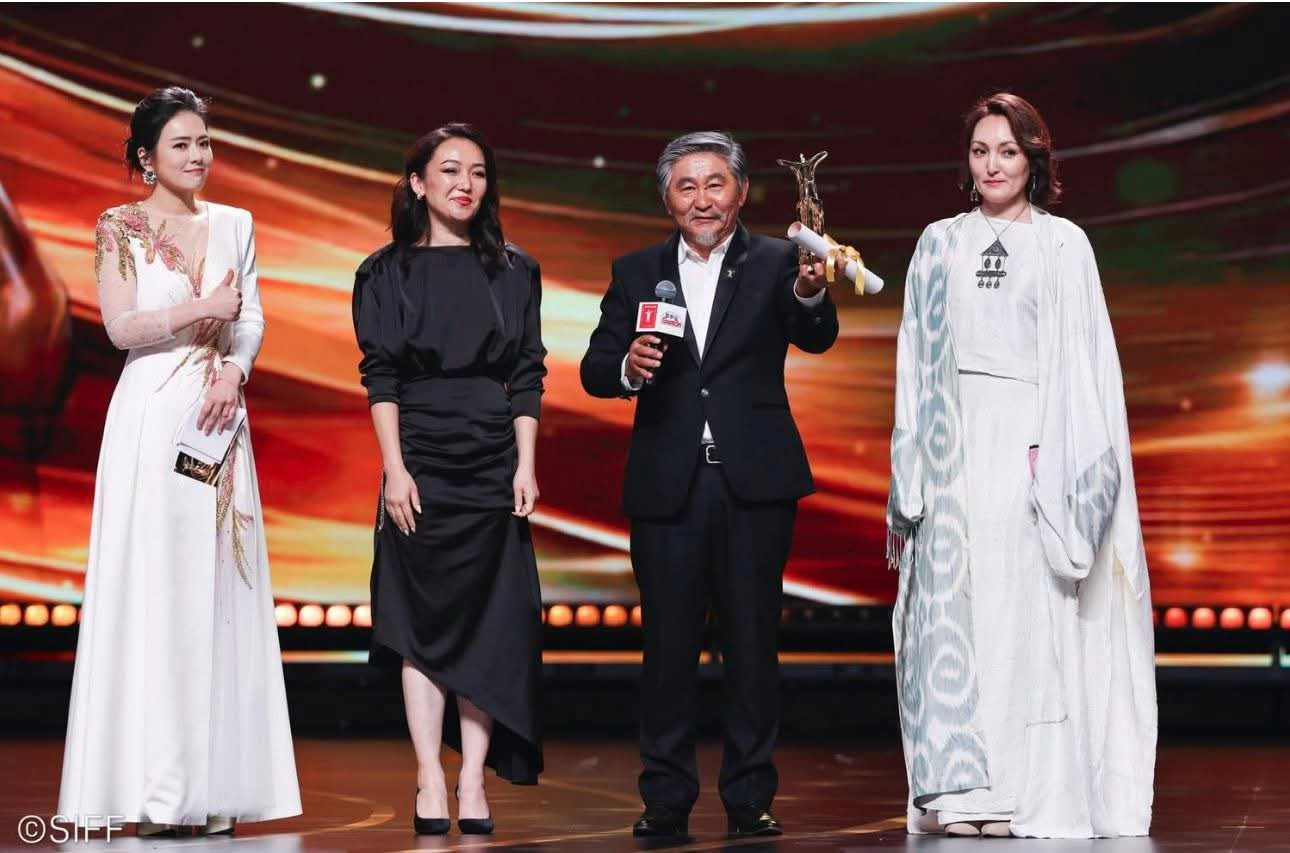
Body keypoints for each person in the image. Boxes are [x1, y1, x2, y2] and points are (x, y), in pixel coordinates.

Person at [887, 92, 1157, 839]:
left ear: (1033, 159)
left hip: (1034, 451)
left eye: (1007, 151)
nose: (993, 165)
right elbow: (913, 358)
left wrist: (1055, 458)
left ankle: (1022, 792)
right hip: (952, 451)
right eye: (981, 151)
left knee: (1024, 622)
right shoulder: (938, 243)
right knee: (957, 623)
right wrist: (913, 469)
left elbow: (1086, 363)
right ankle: (963, 795)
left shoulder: (1063, 245)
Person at [580, 131, 839, 839]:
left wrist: (811, 294)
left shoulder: (781, 260)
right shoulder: (637, 271)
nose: (702, 199)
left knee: (752, 647)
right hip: (669, 487)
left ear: (741, 192)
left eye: (715, 183)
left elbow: (816, 335)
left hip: (753, 483)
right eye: (686, 185)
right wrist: (628, 366)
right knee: (667, 650)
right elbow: (596, 367)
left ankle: (750, 797)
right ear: (667, 198)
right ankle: (665, 798)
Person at [58, 86, 300, 837]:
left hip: (218, 421)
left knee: (218, 591)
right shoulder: (119, 226)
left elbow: (250, 316)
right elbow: (121, 327)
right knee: (157, 591)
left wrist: (235, 373)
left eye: (204, 143)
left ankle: (215, 791)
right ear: (146, 156)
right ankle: (158, 794)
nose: (198, 156)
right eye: (182, 145)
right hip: (152, 418)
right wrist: (201, 310)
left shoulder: (236, 223)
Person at [352, 123, 546, 836]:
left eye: (478, 172)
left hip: (492, 459)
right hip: (421, 461)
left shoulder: (517, 270)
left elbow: (527, 374)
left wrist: (526, 464)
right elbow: (381, 377)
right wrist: (394, 470)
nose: (466, 184)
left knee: (492, 623)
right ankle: (430, 774)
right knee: (420, 625)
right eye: (450, 170)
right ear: (418, 182)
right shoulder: (383, 272)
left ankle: (472, 779)